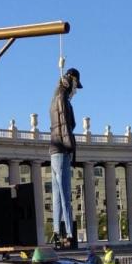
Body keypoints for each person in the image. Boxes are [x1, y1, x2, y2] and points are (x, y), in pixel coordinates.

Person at [49, 67, 82, 249]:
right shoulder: (63, 99)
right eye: (76, 85)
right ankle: (69, 233)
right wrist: (71, 149)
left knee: (57, 194)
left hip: (54, 149)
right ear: (72, 81)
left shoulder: (55, 97)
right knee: (64, 193)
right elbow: (65, 126)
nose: (76, 90)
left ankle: (56, 231)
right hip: (62, 149)